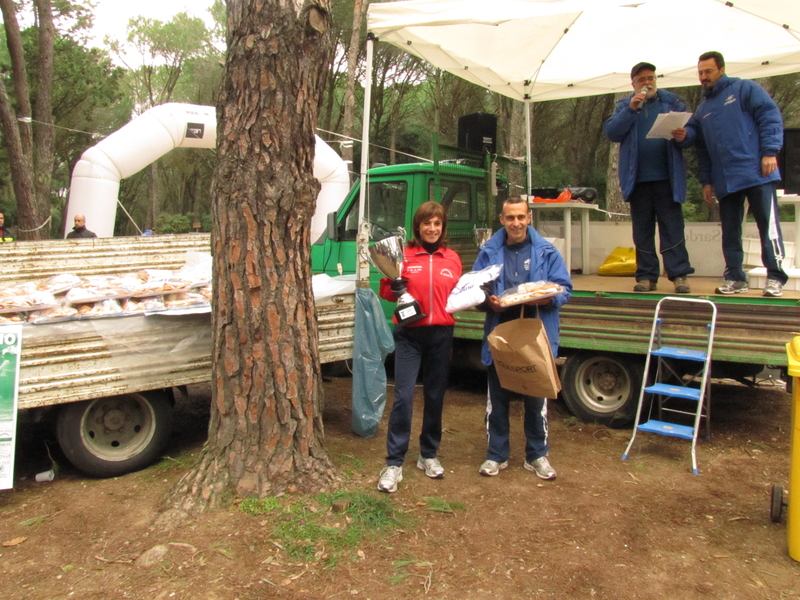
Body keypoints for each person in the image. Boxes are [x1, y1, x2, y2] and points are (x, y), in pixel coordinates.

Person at [473, 197, 572, 480]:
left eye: (520, 217)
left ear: (529, 218)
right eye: (509, 218)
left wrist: (548, 297)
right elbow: (477, 288)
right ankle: (496, 456)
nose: (515, 223)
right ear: (501, 219)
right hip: (500, 333)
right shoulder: (489, 251)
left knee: (536, 398)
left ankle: (537, 455)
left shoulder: (547, 251)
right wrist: (487, 302)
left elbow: (564, 288)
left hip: (536, 334)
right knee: (498, 398)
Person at [683, 51, 788, 297]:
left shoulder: (744, 89)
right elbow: (703, 149)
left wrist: (769, 152)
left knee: (767, 226)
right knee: (730, 230)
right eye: (700, 73)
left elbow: (770, 117)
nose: (703, 77)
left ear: (721, 69)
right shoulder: (702, 109)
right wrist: (707, 180)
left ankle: (775, 277)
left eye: (708, 71)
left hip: (757, 171)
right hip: (725, 178)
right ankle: (735, 278)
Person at [376, 201, 462, 493]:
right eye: (427, 223)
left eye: (437, 224)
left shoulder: (452, 258)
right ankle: (394, 462)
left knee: (435, 397)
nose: (432, 229)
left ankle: (428, 455)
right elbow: (386, 290)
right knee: (403, 397)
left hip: (441, 335)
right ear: (418, 226)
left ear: (443, 227)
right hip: (410, 335)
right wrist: (394, 285)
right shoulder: (403, 255)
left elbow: (460, 294)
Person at [603, 61, 694, 294]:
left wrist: (684, 135)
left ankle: (679, 275)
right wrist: (631, 109)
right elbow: (612, 132)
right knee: (642, 231)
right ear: (633, 84)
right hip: (638, 180)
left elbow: (693, 130)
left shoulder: (671, 102)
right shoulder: (625, 105)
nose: (647, 83)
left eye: (651, 78)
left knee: (672, 228)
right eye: (642, 79)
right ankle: (646, 277)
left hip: (667, 178)